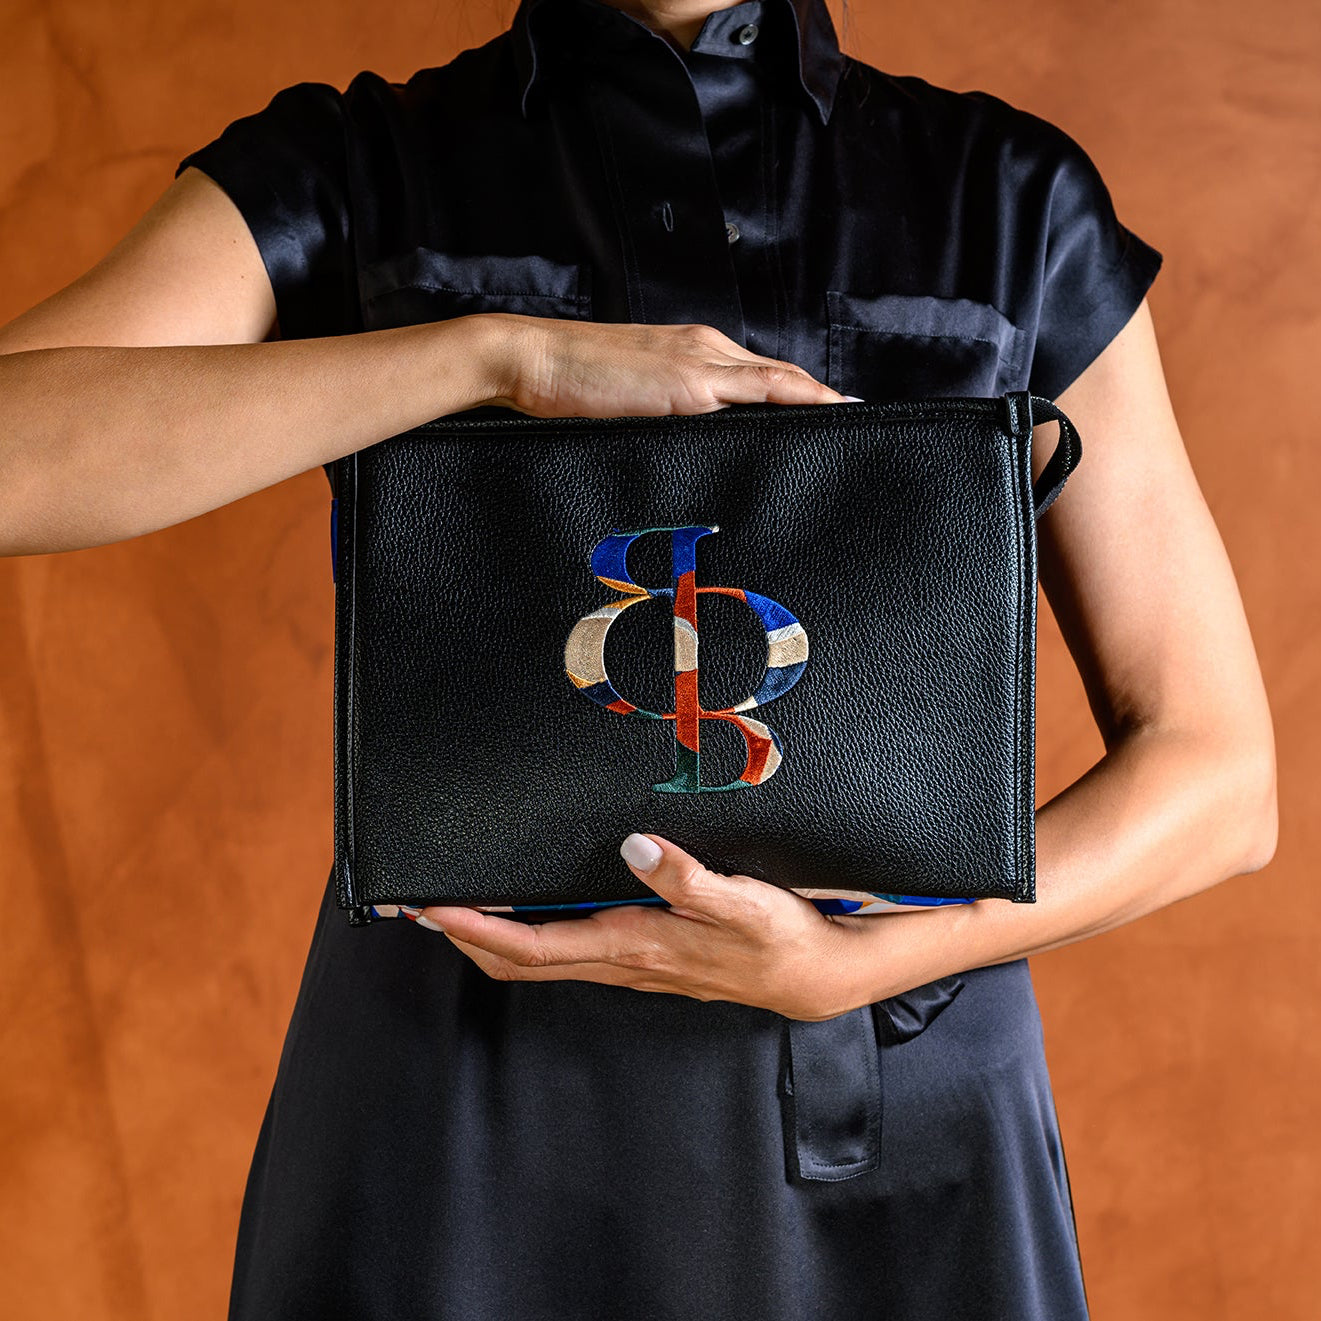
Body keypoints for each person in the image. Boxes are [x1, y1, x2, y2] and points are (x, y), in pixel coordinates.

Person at [0, 0, 1277, 1317]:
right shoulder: (355, 160)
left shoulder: (1007, 197)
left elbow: (1218, 777)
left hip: (901, 1106)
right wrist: (490, 358)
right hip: (453, 1114)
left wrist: (867, 961)